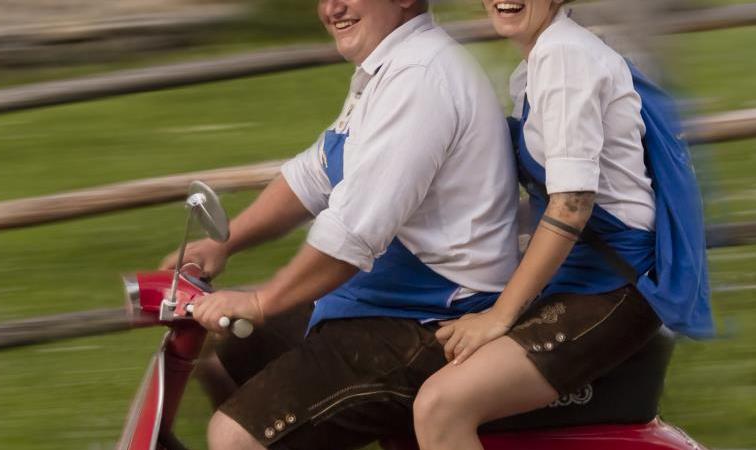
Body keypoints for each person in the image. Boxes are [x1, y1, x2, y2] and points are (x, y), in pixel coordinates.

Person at [158, 0, 522, 448]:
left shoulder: (420, 79)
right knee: (224, 362)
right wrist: (226, 242)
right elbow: (313, 173)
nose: (332, 7)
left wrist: (260, 301)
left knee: (234, 436)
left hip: (434, 321)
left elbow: (351, 235)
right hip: (385, 302)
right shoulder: (386, 69)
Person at [411, 1, 715, 449]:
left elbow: (572, 204)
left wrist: (500, 315)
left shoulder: (564, 57)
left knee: (440, 406)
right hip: (581, 279)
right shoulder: (535, 65)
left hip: (611, 290)